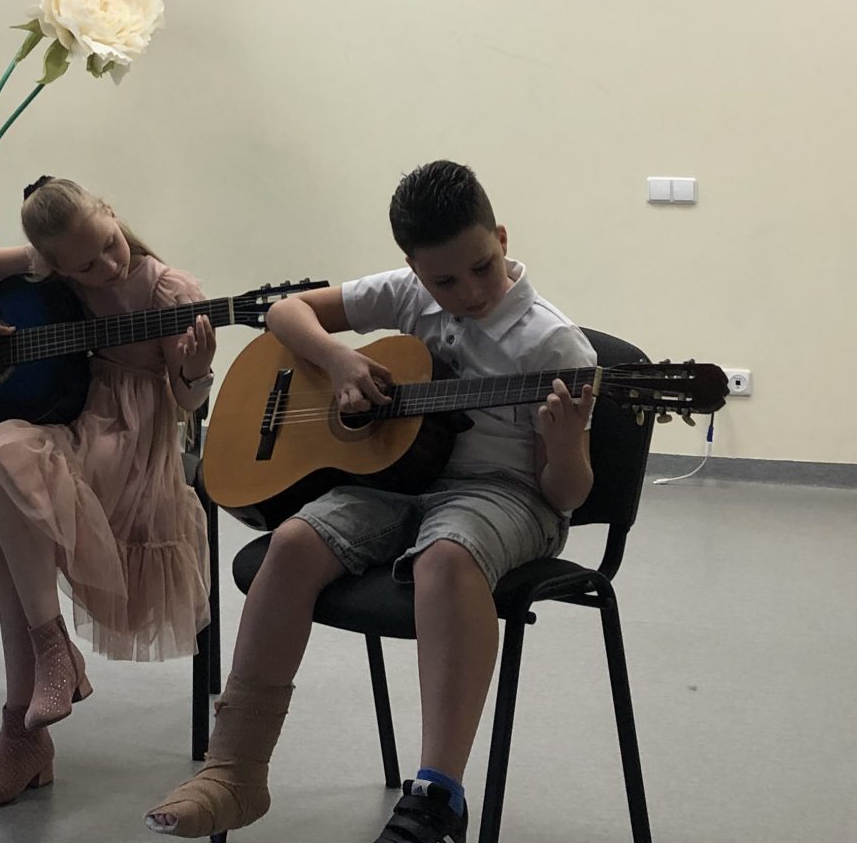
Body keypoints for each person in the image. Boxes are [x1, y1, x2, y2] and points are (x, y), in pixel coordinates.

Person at [144, 160, 597, 843]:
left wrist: (565, 446)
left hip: (507, 494)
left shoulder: (554, 344)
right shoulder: (409, 294)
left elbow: (567, 497)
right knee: (292, 544)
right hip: (398, 481)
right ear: (415, 270)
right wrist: (339, 361)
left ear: (501, 239)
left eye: (483, 267)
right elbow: (284, 313)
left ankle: (436, 798)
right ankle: (234, 770)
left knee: (445, 558)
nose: (470, 292)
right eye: (445, 281)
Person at [0, 176, 217, 809]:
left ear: (112, 215)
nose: (107, 266)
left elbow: (187, 402)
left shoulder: (169, 290)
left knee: (9, 507)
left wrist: (196, 369)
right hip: (72, 420)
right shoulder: (52, 264)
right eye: (86, 267)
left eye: (110, 246)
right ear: (55, 264)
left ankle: (24, 732)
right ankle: (51, 656)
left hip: (132, 445)